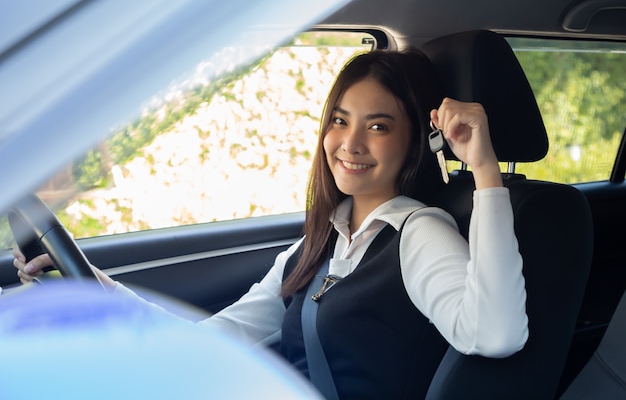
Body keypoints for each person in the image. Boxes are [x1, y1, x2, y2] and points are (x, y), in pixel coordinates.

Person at [14, 49, 528, 399]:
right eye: (340, 120)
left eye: (378, 126)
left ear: (416, 140)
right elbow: (219, 338)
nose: (349, 144)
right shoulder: (325, 238)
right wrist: (93, 289)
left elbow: (496, 335)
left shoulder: (418, 233)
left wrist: (485, 170)